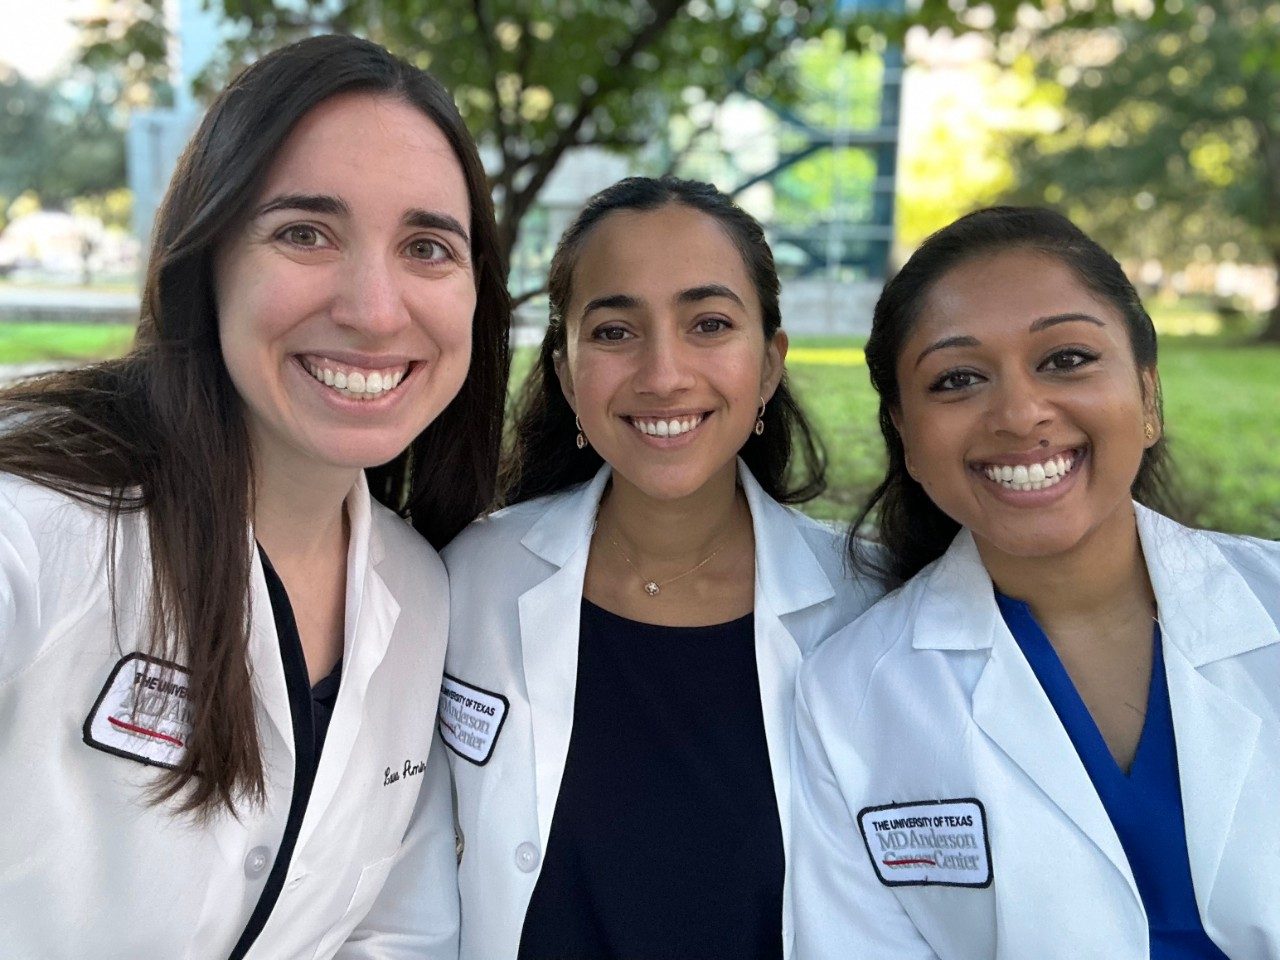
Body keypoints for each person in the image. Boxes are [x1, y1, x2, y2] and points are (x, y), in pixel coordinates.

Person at [0, 35, 509, 959]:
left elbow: (394, 932)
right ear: (208, 263)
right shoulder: (34, 531)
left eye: (428, 247)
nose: (375, 308)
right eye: (305, 233)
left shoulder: (419, 588)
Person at [791, 206, 1280, 959]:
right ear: (907, 439)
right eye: (957, 379)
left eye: (1066, 359)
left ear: (1148, 397)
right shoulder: (848, 700)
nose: (1020, 414)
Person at [438, 176, 884, 960]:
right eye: (614, 331)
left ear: (770, 365)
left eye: (709, 323)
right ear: (568, 372)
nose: (664, 373)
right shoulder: (468, 578)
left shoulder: (870, 606)